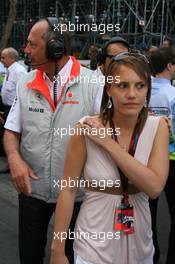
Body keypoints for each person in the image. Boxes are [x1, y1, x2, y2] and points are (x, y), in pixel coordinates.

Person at [50, 53, 169, 264]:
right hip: (92, 243)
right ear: (109, 89)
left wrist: (107, 143)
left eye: (140, 86)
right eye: (122, 86)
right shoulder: (86, 128)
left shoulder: (158, 127)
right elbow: (68, 190)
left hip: (140, 244)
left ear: (147, 89)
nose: (132, 94)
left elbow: (154, 187)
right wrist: (57, 249)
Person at [3, 17, 100, 264]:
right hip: (31, 191)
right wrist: (14, 157)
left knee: (70, 256)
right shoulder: (26, 81)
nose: (25, 50)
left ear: (56, 46)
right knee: (30, 255)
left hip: (78, 196)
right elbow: (12, 129)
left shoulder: (94, 84)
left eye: (31, 44)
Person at [149, 47, 175, 264]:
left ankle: (151, 254)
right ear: (169, 66)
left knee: (148, 213)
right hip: (172, 160)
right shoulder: (173, 95)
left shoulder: (143, 90)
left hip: (146, 160)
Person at [94, 36, 130, 113]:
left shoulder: (130, 81)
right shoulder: (89, 84)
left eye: (125, 59)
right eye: (115, 58)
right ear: (103, 59)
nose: (121, 63)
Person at [1, 47, 26, 117]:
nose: (1, 60)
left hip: (15, 111)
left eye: (3, 58)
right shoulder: (8, 70)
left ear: (12, 58)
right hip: (7, 109)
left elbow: (23, 93)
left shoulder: (19, 71)